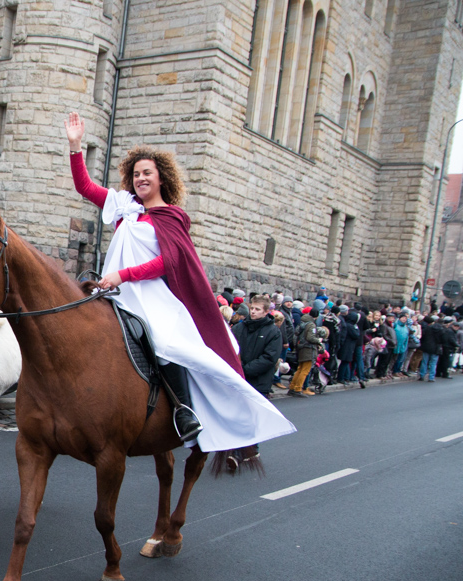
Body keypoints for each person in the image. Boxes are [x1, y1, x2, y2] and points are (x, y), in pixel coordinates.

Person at [65, 111, 294, 451]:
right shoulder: (124, 205)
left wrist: (123, 275)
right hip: (114, 291)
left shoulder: (172, 217)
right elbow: (84, 187)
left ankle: (184, 411)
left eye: (147, 173)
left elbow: (169, 262)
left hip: (149, 294)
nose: (140, 178)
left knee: (163, 341)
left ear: (161, 178)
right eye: (136, 173)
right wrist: (75, 146)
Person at [226, 295, 282, 470]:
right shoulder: (239, 328)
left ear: (265, 312)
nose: (253, 312)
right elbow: (229, 348)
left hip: (258, 381)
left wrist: (245, 369)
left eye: (258, 309)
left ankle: (246, 450)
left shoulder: (273, 332)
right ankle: (240, 450)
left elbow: (269, 358)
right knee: (237, 415)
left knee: (252, 417)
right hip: (238, 378)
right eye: (252, 308)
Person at [288, 307, 321, 397]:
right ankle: (298, 389)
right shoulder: (311, 325)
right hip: (308, 349)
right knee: (305, 370)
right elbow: (310, 337)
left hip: (301, 348)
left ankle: (292, 387)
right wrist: (318, 340)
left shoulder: (302, 322)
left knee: (299, 369)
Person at [417, 315, 441, 382]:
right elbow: (442, 339)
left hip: (427, 346)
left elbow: (423, 336)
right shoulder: (440, 330)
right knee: (433, 363)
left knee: (424, 362)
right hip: (436, 348)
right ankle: (431, 377)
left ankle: (422, 375)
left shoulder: (428, 328)